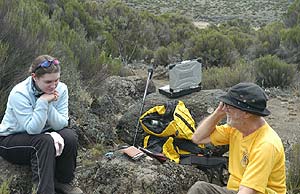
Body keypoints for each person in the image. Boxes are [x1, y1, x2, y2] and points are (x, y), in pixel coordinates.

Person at [0, 55, 83, 194]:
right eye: (48, 81)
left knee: (70, 136)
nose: (53, 85)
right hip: (10, 140)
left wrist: (48, 105)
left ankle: (63, 182)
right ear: (34, 77)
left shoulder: (61, 89)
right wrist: (43, 102)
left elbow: (61, 123)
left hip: (42, 134)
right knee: (44, 141)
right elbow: (33, 129)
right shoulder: (20, 93)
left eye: (56, 80)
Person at [188, 82, 286, 194]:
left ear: (246, 113)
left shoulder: (266, 145)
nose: (226, 109)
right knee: (200, 189)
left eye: (230, 106)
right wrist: (218, 114)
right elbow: (198, 138)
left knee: (200, 189)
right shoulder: (235, 129)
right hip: (236, 190)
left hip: (252, 192)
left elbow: (247, 191)